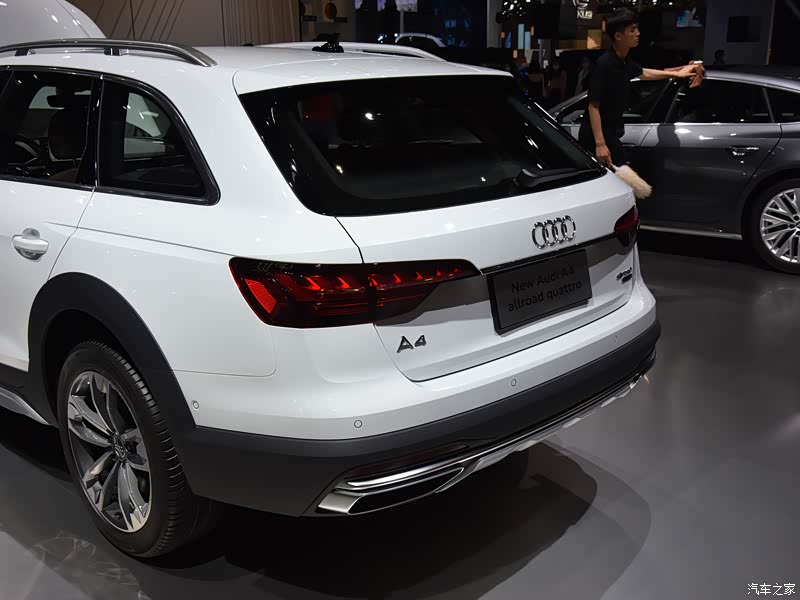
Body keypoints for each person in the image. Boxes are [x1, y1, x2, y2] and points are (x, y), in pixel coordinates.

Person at [578, 8, 700, 168]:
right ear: (618, 36)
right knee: (620, 177)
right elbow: (593, 106)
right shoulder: (605, 64)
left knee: (622, 176)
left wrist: (677, 73)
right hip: (596, 137)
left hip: (610, 133)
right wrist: (600, 144)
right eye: (632, 30)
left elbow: (644, 73)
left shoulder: (624, 61)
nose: (638, 34)